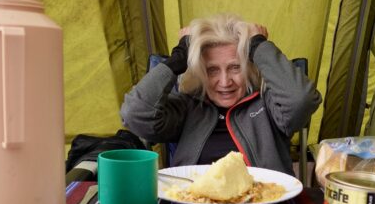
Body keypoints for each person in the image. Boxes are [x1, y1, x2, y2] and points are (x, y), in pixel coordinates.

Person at [120, 13, 322, 176]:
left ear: (250, 68)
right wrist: (179, 57)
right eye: (212, 70)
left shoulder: (269, 105)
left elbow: (301, 100)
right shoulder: (187, 107)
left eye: (235, 67)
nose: (225, 82)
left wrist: (259, 46)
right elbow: (134, 114)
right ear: (199, 73)